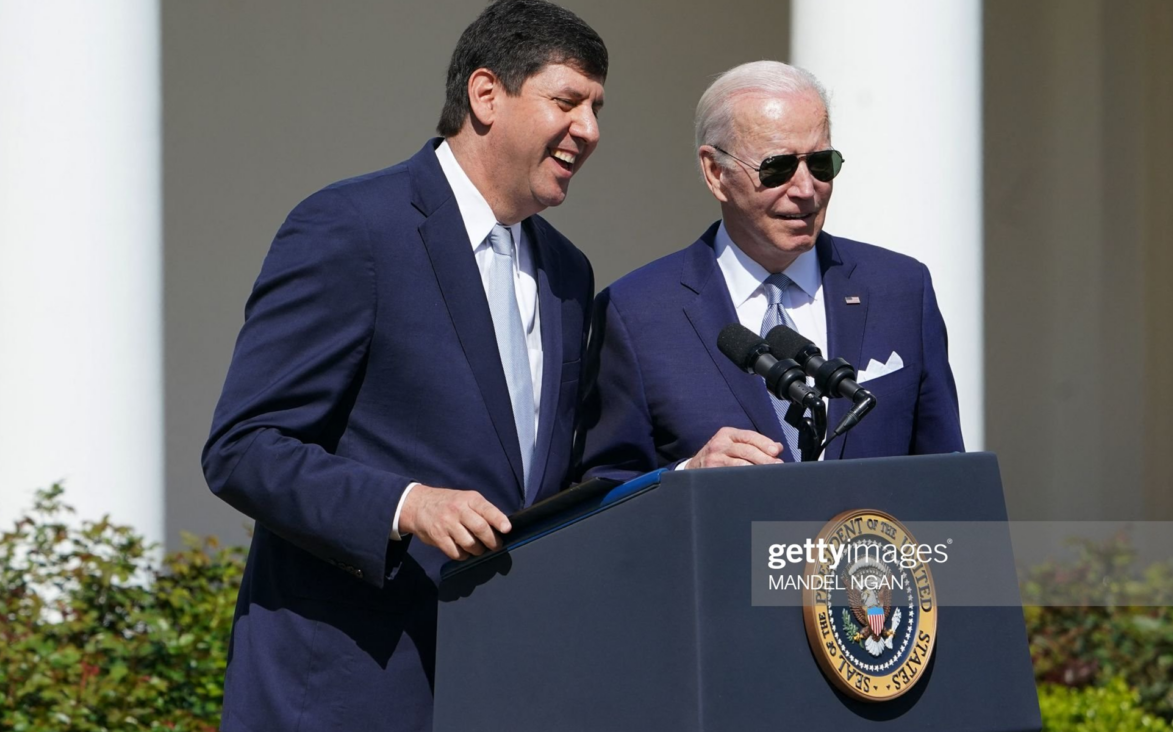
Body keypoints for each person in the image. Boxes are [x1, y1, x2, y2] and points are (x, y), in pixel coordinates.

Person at [200, 1, 606, 729]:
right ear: (487, 95)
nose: (590, 131)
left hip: (502, 688)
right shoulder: (352, 228)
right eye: (567, 102)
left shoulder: (568, 274)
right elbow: (243, 448)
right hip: (353, 689)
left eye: (598, 109)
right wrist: (406, 505)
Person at [577, 60, 962, 483]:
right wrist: (688, 473)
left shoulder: (901, 289)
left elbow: (946, 479)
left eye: (821, 164)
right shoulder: (637, 312)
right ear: (715, 172)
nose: (804, 189)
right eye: (777, 167)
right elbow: (603, 488)